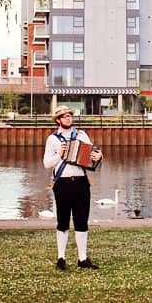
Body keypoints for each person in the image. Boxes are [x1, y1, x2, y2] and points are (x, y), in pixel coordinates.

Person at [42, 105, 103, 270]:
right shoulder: (53, 139)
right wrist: (59, 155)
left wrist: (99, 156)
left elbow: (91, 156)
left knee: (81, 221)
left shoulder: (81, 135)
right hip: (62, 183)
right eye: (65, 116)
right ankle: (61, 258)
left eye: (70, 115)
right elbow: (47, 164)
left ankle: (82, 259)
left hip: (81, 182)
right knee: (62, 221)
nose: (68, 118)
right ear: (58, 120)